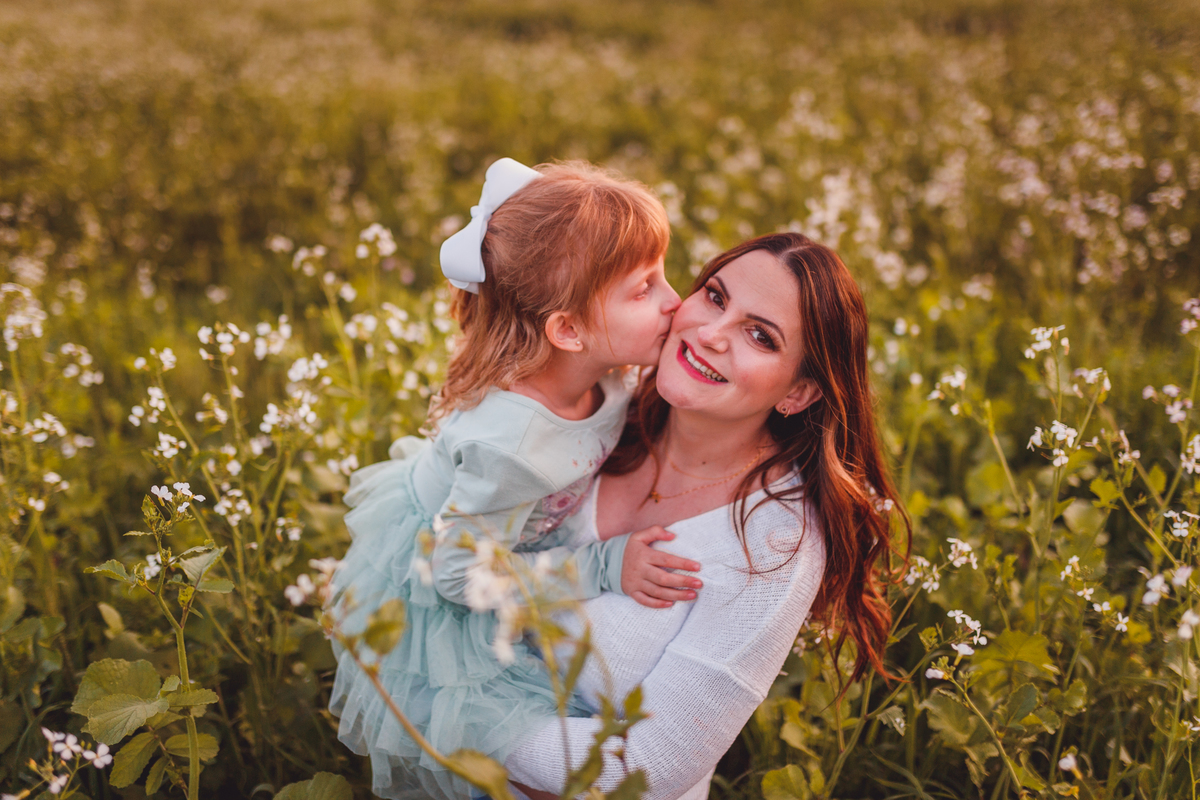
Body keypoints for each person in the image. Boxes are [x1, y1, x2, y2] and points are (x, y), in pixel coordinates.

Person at [328, 158, 702, 800]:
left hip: (497, 534)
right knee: (503, 759)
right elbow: (455, 576)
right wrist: (602, 566)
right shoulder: (511, 446)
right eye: (643, 289)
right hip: (442, 582)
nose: (676, 302)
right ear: (568, 330)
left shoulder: (602, 370)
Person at [504, 232, 906, 800]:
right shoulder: (596, 408)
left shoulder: (773, 544)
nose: (711, 334)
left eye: (760, 336)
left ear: (799, 392)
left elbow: (648, 766)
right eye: (715, 297)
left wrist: (441, 706)